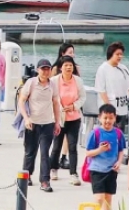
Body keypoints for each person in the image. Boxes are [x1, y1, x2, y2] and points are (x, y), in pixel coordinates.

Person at [18, 59, 61, 192]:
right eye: (43, 69)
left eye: (48, 69)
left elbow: (56, 103)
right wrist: (26, 118)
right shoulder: (31, 83)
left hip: (47, 123)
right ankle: (27, 175)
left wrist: (57, 122)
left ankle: (45, 181)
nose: (46, 72)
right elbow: (21, 101)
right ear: (38, 70)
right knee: (30, 152)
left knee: (44, 153)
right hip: (32, 123)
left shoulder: (53, 85)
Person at [48, 55, 85, 185]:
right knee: (56, 146)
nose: (68, 67)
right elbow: (51, 98)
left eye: (70, 65)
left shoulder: (78, 81)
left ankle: (73, 173)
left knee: (72, 146)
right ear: (60, 67)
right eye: (66, 65)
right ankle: (53, 169)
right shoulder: (54, 81)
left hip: (74, 118)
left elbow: (82, 97)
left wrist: (74, 106)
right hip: (59, 118)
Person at [86, 103, 127, 209]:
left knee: (108, 199)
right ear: (99, 117)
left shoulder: (118, 133)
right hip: (97, 170)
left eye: (111, 118)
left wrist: (119, 162)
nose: (108, 121)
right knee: (99, 198)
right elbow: (88, 153)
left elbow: (121, 150)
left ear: (115, 118)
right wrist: (100, 150)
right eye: (105, 118)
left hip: (111, 170)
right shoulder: (95, 133)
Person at [95, 41, 129, 130]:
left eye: (121, 54)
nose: (120, 56)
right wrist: (109, 108)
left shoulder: (123, 68)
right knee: (108, 133)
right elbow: (101, 90)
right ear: (111, 54)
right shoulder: (102, 69)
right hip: (108, 111)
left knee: (120, 133)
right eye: (117, 54)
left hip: (122, 108)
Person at [52, 42, 79, 170]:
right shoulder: (55, 70)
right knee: (57, 142)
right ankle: (54, 166)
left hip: (73, 107)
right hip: (59, 109)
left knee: (71, 140)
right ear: (62, 54)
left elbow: (80, 88)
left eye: (73, 52)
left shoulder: (76, 69)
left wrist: (75, 105)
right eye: (70, 52)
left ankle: (64, 157)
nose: (72, 55)